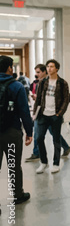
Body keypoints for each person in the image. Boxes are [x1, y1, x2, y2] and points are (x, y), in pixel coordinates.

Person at [0, 56, 32, 204]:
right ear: (9, 68)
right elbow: (24, 111)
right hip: (11, 131)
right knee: (13, 166)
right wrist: (29, 132)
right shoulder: (17, 86)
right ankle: (17, 195)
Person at [26, 64, 70, 162]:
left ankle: (52, 159)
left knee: (53, 136)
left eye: (38, 72)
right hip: (42, 113)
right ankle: (39, 154)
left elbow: (65, 99)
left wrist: (59, 113)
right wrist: (35, 113)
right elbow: (39, 98)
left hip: (54, 114)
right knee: (39, 136)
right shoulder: (41, 83)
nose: (36, 74)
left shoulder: (61, 83)